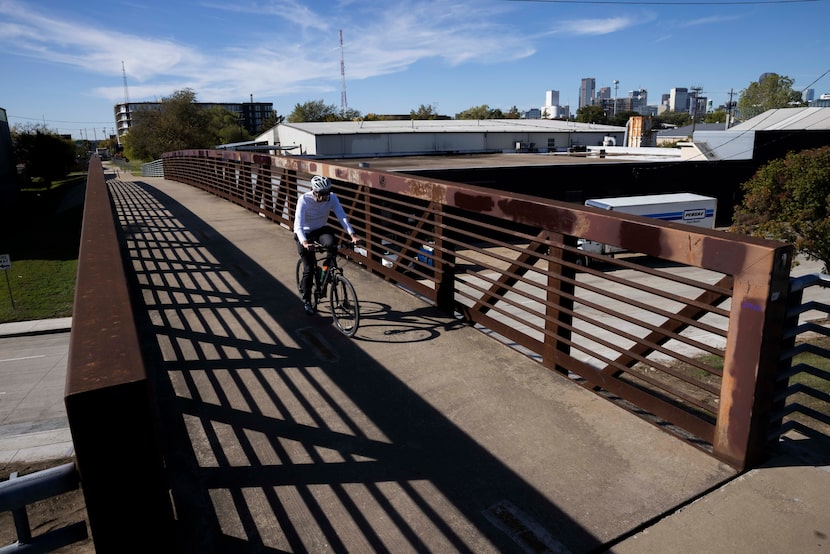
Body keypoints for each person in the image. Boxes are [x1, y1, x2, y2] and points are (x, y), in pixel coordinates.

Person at [294, 175, 359, 315]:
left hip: (321, 229)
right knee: (309, 268)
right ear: (313, 190)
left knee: (332, 244)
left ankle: (326, 270)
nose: (325, 197)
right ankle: (307, 300)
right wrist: (305, 243)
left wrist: (352, 235)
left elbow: (341, 216)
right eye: (322, 193)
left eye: (327, 193)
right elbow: (297, 225)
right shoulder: (304, 200)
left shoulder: (332, 197)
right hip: (305, 233)